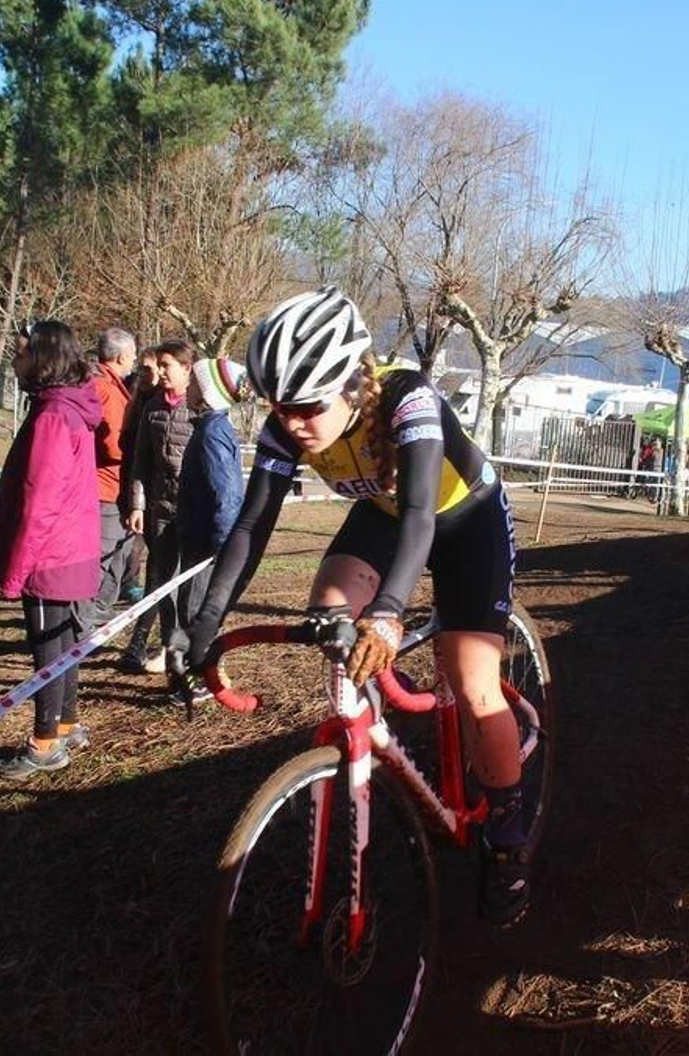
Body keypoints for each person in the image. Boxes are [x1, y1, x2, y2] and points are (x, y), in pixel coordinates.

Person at [173, 288, 531, 925]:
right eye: (280, 408)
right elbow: (251, 528)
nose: (292, 423)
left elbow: (423, 513)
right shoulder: (289, 426)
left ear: (351, 384)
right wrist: (203, 625)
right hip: (387, 518)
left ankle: (508, 837)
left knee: (476, 688)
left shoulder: (407, 398)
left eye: (307, 407)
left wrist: (390, 613)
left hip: (463, 521)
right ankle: (365, 732)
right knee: (327, 615)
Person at [0, 320, 103, 780]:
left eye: (20, 352)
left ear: (42, 356)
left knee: (49, 651)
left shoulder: (53, 415)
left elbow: (39, 500)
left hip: (51, 555)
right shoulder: (67, 408)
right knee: (65, 645)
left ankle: (45, 743)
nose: (14, 361)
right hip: (70, 549)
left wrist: (15, 572)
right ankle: (66, 724)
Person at [118, 339, 194, 674]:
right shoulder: (152, 408)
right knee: (162, 581)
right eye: (158, 366)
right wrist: (137, 504)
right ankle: (167, 648)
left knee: (191, 587)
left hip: (193, 512)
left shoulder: (201, 406)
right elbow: (140, 462)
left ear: (187, 368)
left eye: (167, 366)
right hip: (159, 509)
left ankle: (193, 649)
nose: (161, 373)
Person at [175, 356, 249, 632]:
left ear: (207, 392)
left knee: (196, 621)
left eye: (192, 381)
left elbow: (227, 495)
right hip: (200, 543)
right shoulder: (211, 428)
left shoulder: (211, 433)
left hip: (204, 548)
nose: (186, 388)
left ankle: (201, 674)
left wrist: (222, 548)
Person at [87, 327, 137, 620]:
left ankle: (93, 620)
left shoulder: (102, 384)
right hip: (107, 491)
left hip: (108, 489)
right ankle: (88, 623)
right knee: (106, 561)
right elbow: (114, 445)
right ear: (120, 357)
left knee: (115, 559)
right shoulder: (106, 390)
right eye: (131, 356)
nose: (133, 361)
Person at [117, 347, 161, 603]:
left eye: (148, 369)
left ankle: (146, 587)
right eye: (140, 368)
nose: (142, 374)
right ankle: (129, 581)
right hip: (133, 478)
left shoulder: (160, 405)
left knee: (148, 541)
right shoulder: (137, 399)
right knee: (133, 538)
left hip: (155, 485)